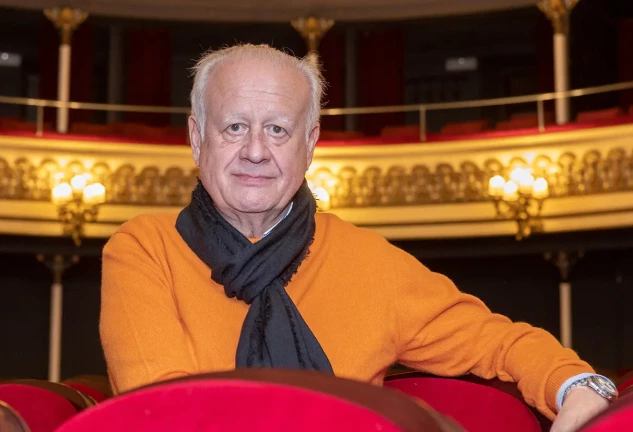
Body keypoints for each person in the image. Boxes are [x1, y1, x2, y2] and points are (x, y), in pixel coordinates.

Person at [100, 44, 616, 431]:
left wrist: (578, 386)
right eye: (234, 126)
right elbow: (161, 411)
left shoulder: (371, 262)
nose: (256, 150)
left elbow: (501, 341)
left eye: (278, 130)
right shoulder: (144, 250)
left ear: (310, 144)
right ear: (196, 138)